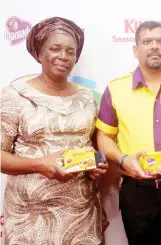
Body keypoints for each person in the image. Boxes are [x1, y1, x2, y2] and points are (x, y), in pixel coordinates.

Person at [0, 17, 108, 244]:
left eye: (70, 51)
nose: (63, 56)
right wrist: (38, 164)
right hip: (30, 217)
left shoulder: (87, 97)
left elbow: (94, 146)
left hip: (80, 213)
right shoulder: (14, 95)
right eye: (55, 49)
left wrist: (96, 164)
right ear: (39, 53)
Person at [95, 21, 161, 245]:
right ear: (135, 50)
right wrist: (124, 160)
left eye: (160, 41)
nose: (154, 46)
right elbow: (103, 137)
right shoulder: (116, 88)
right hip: (137, 191)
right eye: (147, 41)